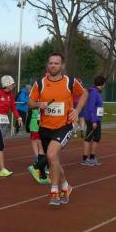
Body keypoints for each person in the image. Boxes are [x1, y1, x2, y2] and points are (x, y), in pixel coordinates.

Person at [27, 52, 87, 206]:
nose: (53, 65)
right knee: (53, 159)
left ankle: (54, 191)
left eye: (56, 63)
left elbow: (84, 93)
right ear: (48, 65)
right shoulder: (39, 84)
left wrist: (77, 111)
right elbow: (30, 102)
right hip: (45, 128)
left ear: (62, 65)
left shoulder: (70, 82)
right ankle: (66, 186)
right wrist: (39, 104)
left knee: (52, 154)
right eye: (51, 63)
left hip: (64, 126)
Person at [81, 75, 106, 166]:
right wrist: (94, 121)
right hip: (92, 119)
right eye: (104, 84)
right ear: (102, 84)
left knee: (97, 138)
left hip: (97, 119)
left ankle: (92, 157)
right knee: (88, 138)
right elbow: (91, 107)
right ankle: (84, 159)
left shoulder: (97, 93)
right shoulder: (93, 93)